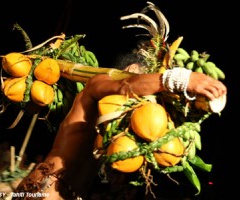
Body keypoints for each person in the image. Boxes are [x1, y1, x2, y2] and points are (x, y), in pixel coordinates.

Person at [13, 40, 227, 199]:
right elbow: (128, 86)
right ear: (131, 70)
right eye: (144, 77)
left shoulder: (120, 124)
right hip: (44, 189)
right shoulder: (96, 86)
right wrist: (182, 79)